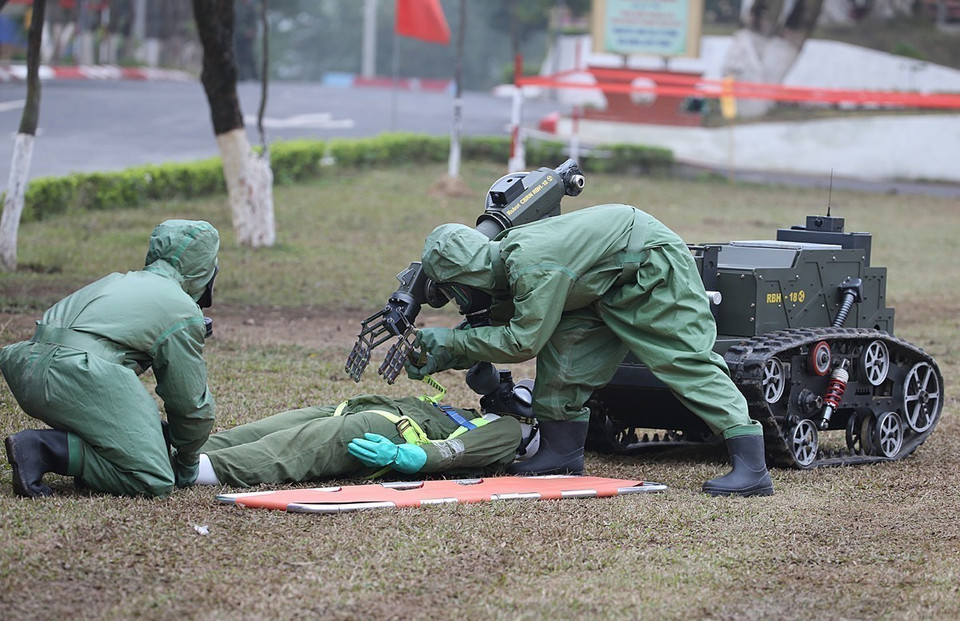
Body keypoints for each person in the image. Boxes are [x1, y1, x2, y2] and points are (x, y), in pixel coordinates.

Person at [405, 203, 775, 497]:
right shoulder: (505, 260)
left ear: (466, 275)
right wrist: (446, 353)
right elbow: (499, 325)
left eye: (452, 290)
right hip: (601, 282)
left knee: (682, 359)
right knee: (567, 354)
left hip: (650, 264)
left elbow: (522, 340)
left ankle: (752, 467)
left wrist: (450, 341)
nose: (456, 300)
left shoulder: (531, 264)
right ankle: (562, 454)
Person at [2, 220, 220, 498]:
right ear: (205, 272)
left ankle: (103, 451)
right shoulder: (182, 309)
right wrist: (187, 463)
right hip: (77, 373)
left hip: (26, 366)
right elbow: (190, 403)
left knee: (137, 435)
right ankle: (45, 449)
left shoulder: (118, 280)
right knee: (153, 477)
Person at [194, 365, 539, 487]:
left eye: (521, 394)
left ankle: (187, 471)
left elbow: (456, 451)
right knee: (259, 433)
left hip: (385, 432)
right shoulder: (479, 414)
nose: (509, 395)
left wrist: (413, 457)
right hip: (356, 409)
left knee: (285, 451)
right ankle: (182, 448)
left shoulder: (509, 434)